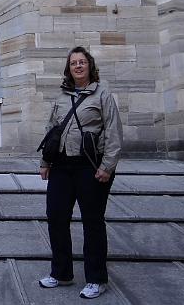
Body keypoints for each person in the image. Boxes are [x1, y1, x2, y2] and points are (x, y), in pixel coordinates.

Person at [38, 46, 123, 299]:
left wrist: (107, 166)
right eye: (73, 63)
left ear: (89, 66)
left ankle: (96, 278)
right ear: (69, 68)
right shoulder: (61, 97)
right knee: (56, 217)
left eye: (82, 62)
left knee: (92, 222)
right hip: (62, 166)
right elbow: (52, 131)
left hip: (90, 166)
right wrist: (45, 162)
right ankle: (61, 273)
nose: (78, 66)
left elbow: (113, 132)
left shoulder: (102, 95)